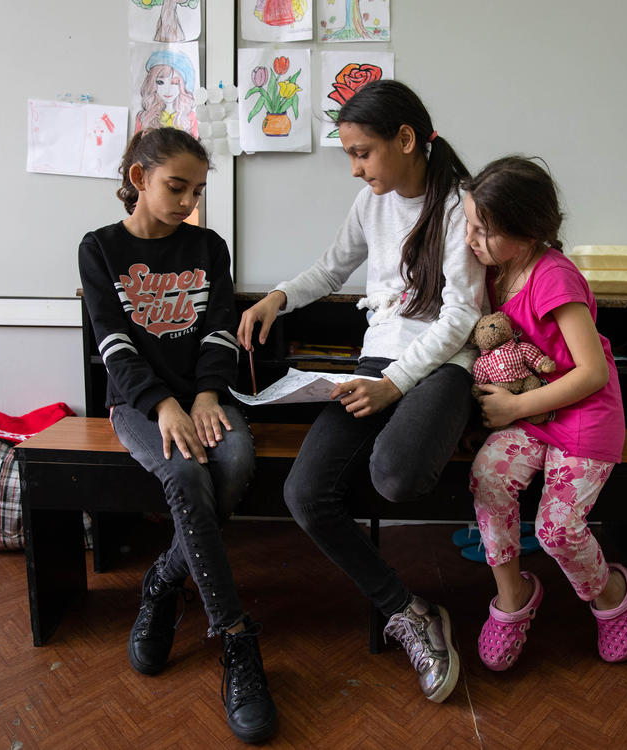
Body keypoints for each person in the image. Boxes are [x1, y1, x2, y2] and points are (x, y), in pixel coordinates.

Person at [238, 80, 486, 704]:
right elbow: (330, 268)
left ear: (406, 140)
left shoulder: (461, 205)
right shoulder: (371, 205)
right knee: (303, 491)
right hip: (375, 360)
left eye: (362, 152)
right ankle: (408, 611)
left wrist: (393, 385)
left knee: (396, 475)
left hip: (439, 366)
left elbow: (460, 318)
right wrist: (277, 296)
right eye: (348, 153)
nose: (354, 168)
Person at [78, 127, 276, 744]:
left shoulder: (208, 246)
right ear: (139, 178)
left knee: (237, 463)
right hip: (139, 404)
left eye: (197, 189)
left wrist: (208, 395)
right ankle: (237, 639)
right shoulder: (99, 248)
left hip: (206, 397)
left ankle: (163, 583)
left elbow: (220, 328)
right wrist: (164, 405)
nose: (188, 201)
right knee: (186, 474)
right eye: (176, 186)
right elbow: (112, 344)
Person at [462, 156, 627, 671]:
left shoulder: (554, 277)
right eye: (470, 225)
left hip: (583, 413)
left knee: (557, 528)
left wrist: (515, 405)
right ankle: (513, 597)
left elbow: (591, 374)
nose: (471, 239)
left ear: (527, 230)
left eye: (483, 230)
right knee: (488, 480)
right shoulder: (499, 272)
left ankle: (610, 594)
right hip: (535, 414)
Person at [136, 49, 199, 136]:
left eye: (175, 83)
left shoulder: (190, 118)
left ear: (182, 86)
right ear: (152, 84)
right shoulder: (143, 117)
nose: (167, 89)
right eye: (160, 82)